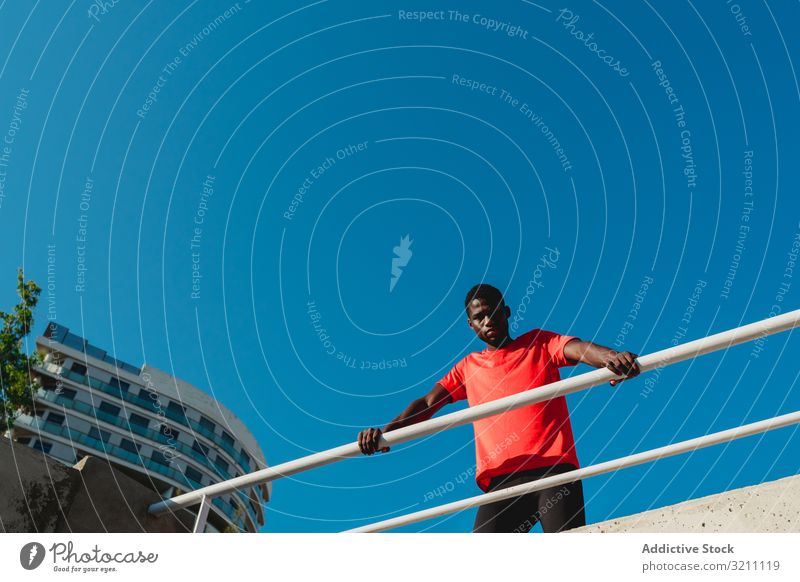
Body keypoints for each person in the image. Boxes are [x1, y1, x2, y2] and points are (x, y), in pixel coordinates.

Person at [357, 283, 641, 533]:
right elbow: (429, 402)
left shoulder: (539, 343)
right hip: (501, 482)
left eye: (492, 312)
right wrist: (386, 432)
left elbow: (578, 349)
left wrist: (611, 358)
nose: (487, 319)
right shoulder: (467, 367)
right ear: (471, 324)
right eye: (478, 317)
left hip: (554, 472)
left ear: (506, 311)